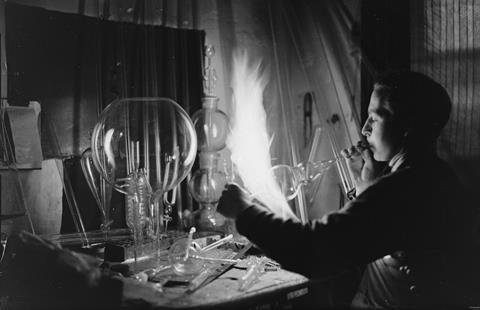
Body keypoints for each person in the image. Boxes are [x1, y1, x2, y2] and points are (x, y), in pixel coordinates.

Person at [217, 71, 478, 308]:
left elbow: (312, 251)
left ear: (408, 127)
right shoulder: (431, 175)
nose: (364, 129)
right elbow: (386, 236)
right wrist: (368, 187)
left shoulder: (405, 189)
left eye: (375, 119)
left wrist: (245, 211)